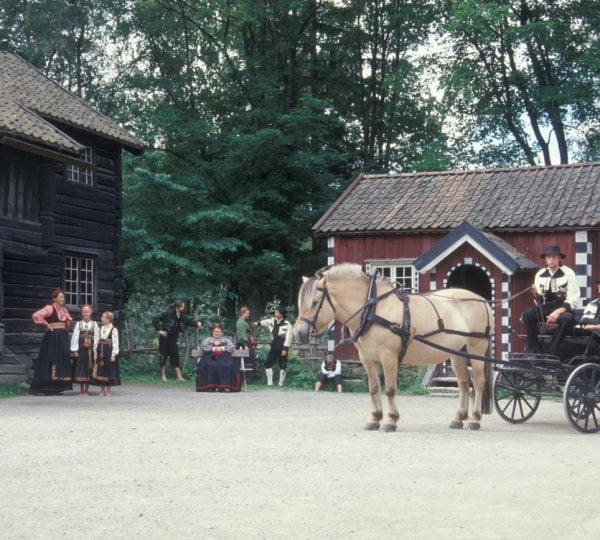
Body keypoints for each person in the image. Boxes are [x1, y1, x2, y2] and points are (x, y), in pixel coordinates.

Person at [522, 245, 580, 356]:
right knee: (527, 314)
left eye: (554, 257)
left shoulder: (569, 273)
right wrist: (535, 295)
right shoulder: (540, 274)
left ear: (559, 258)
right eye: (549, 257)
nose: (551, 260)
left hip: (563, 309)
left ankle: (551, 351)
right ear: (545, 259)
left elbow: (573, 298)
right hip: (545, 308)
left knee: (567, 318)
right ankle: (536, 351)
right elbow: (539, 302)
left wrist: (557, 312)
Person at [31, 289, 73, 394]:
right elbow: (36, 315)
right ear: (54, 298)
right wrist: (46, 324)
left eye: (63, 297)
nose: (62, 299)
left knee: (61, 359)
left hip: (62, 337)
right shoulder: (49, 308)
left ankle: (58, 386)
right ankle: (49, 386)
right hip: (53, 337)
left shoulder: (64, 310)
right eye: (59, 297)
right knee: (52, 358)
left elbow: (67, 323)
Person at [153, 300, 202, 382]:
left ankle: (179, 377)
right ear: (177, 307)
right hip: (165, 338)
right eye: (182, 306)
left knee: (175, 356)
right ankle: (163, 376)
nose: (183, 308)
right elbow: (155, 319)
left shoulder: (181, 316)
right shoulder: (167, 314)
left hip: (173, 338)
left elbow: (189, 321)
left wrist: (197, 323)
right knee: (163, 355)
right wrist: (159, 330)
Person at [195, 323, 241, 392]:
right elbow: (203, 348)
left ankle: (223, 386)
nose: (217, 333)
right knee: (210, 365)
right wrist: (213, 349)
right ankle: (211, 386)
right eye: (215, 332)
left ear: (221, 332)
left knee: (227, 365)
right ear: (212, 332)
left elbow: (232, 348)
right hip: (210, 356)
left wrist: (222, 348)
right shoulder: (207, 340)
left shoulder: (226, 340)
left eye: (219, 331)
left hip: (224, 357)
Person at [256, 305, 293, 387]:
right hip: (274, 346)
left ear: (281, 314)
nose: (275, 313)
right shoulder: (273, 321)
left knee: (282, 365)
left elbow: (289, 338)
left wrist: (285, 349)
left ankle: (281, 383)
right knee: (267, 363)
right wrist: (258, 323)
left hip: (283, 346)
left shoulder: (288, 325)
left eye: (277, 312)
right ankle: (270, 383)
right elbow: (265, 322)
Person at [70, 304, 99, 395]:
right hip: (81, 350)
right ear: (82, 313)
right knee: (80, 368)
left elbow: (97, 337)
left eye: (88, 311)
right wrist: (74, 350)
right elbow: (75, 337)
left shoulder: (94, 324)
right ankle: (81, 390)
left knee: (88, 368)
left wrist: (95, 350)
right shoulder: (79, 324)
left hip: (90, 351)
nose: (86, 313)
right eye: (84, 312)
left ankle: (87, 389)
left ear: (91, 312)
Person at [90, 311, 121, 396]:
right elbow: (96, 342)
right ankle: (102, 390)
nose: (101, 318)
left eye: (103, 317)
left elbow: (115, 342)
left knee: (109, 369)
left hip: (109, 351)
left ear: (108, 319)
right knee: (101, 370)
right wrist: (95, 352)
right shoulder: (99, 329)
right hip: (101, 351)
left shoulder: (113, 329)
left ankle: (108, 390)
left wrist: (114, 354)